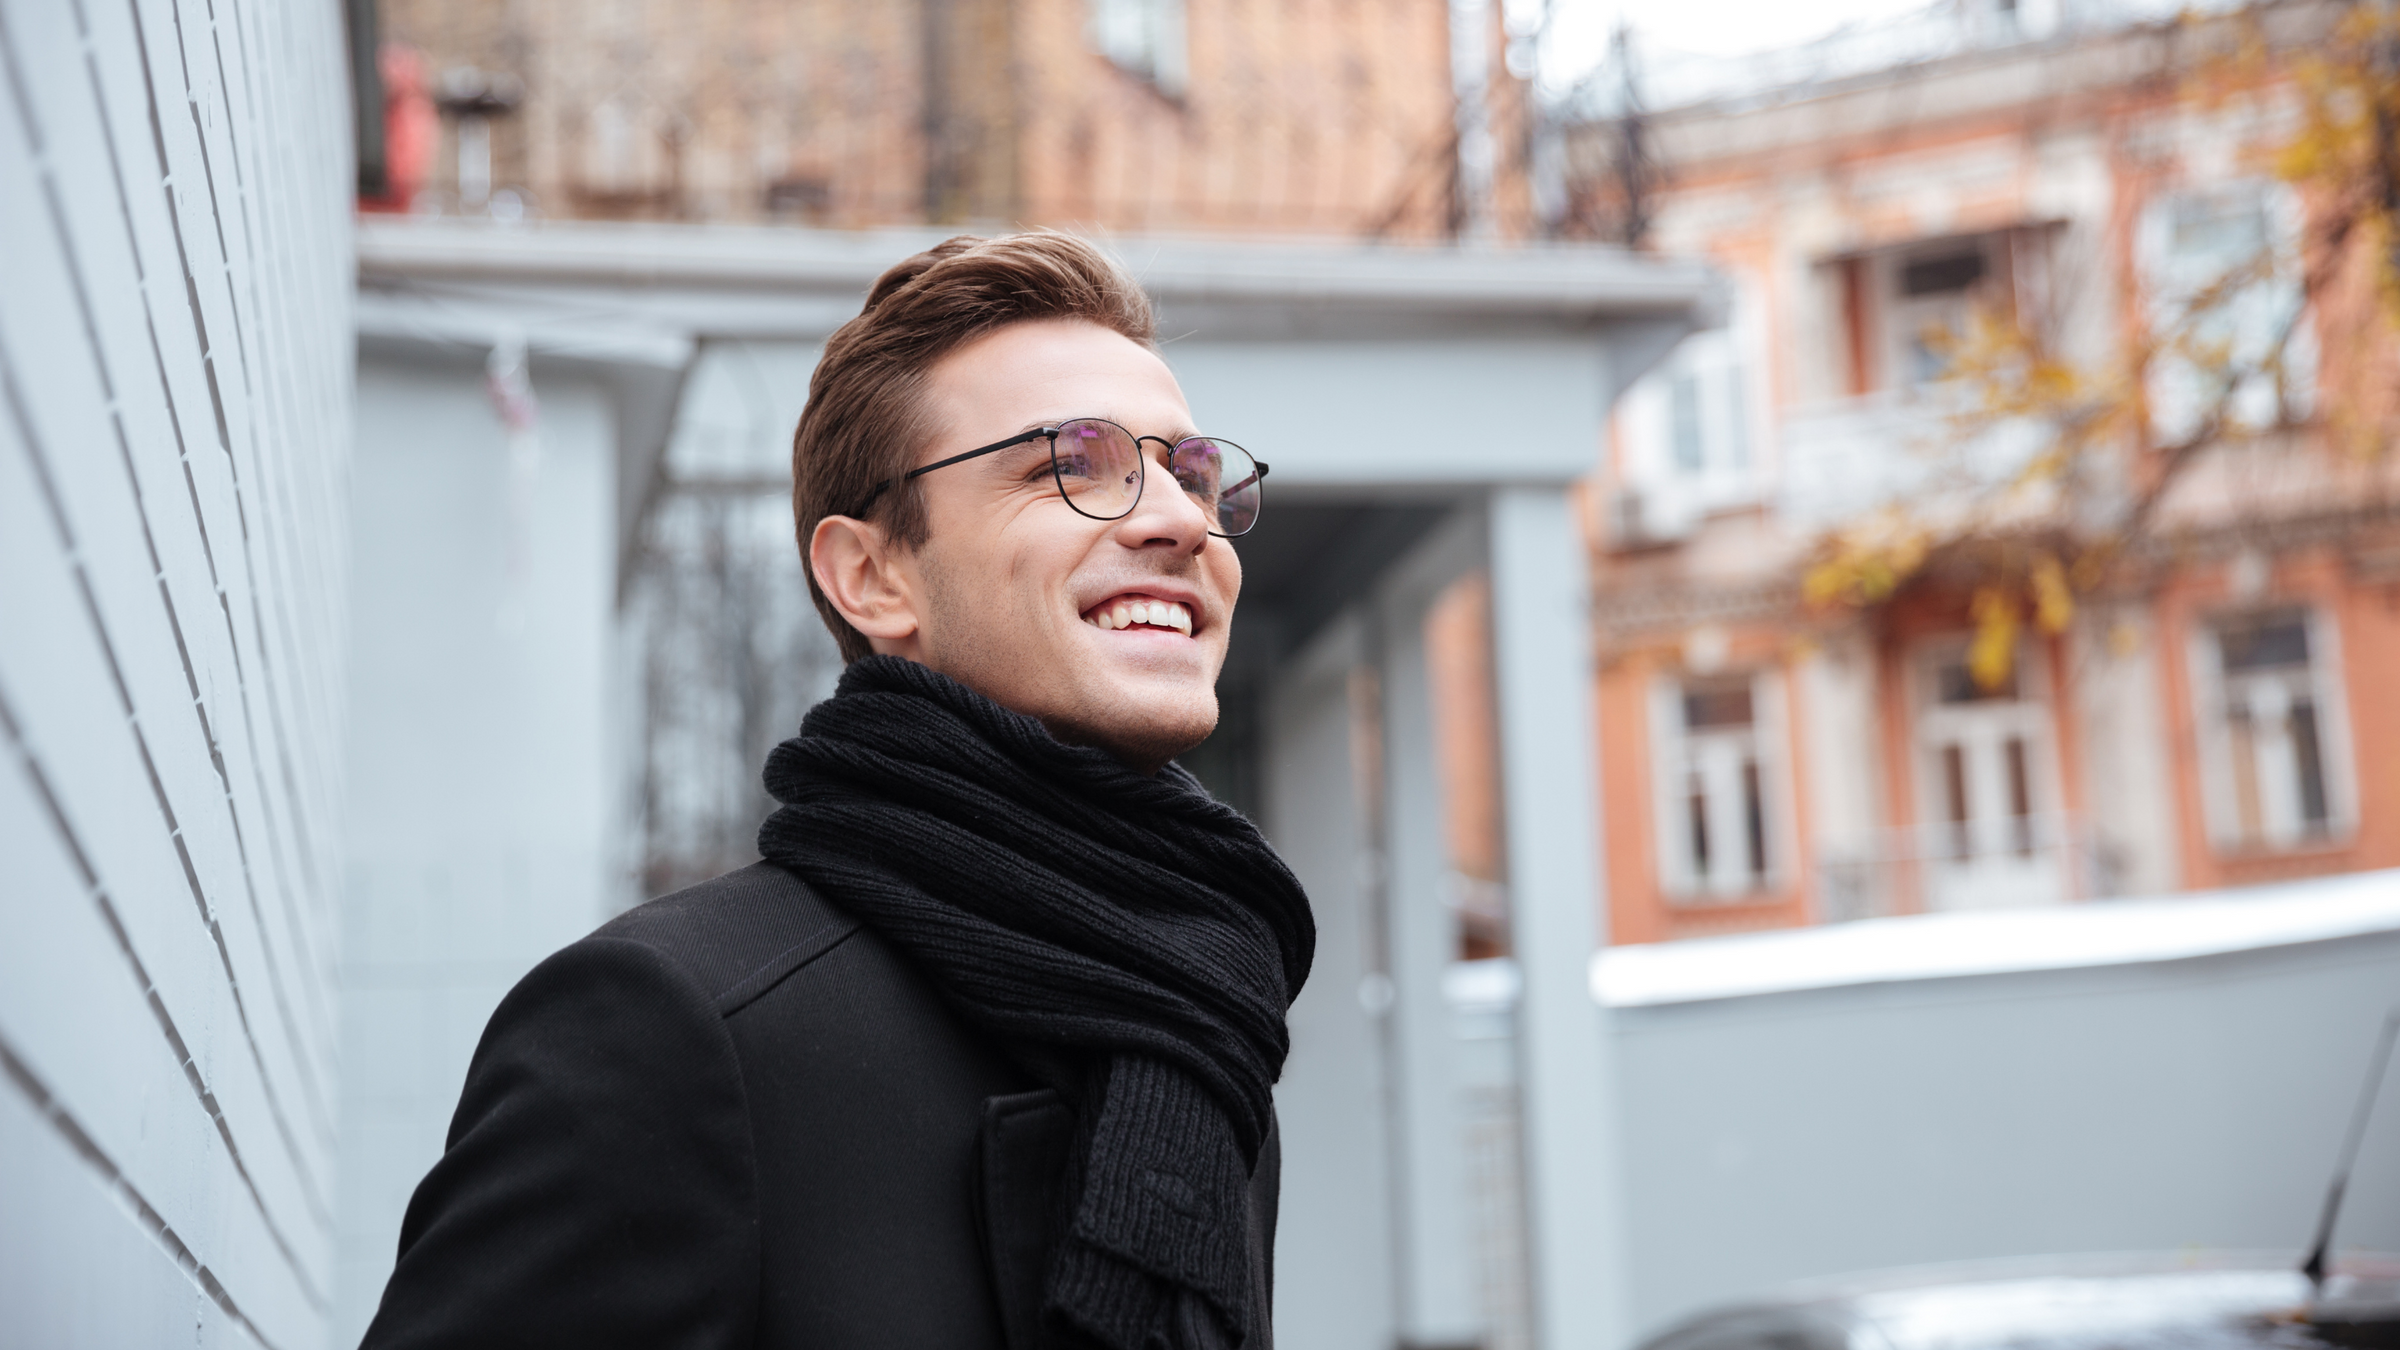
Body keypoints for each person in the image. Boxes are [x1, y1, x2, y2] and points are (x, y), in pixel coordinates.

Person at [358, 232, 1315, 1350]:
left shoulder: (1199, 1029)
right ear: (871, 575)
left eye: (1191, 471)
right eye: (1075, 462)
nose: (1180, 520)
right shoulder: (673, 1026)